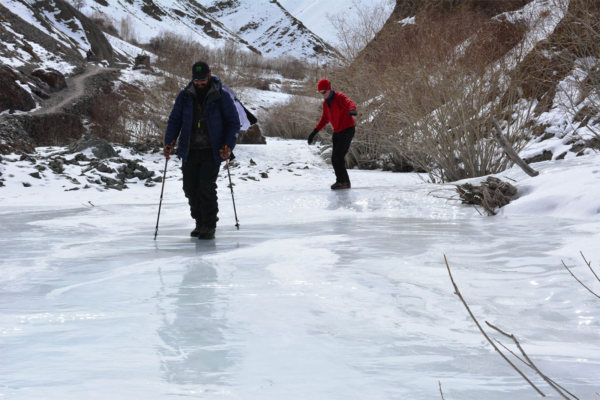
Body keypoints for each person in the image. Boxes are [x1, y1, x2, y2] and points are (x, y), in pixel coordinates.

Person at [164, 61, 240, 240]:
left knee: (206, 187)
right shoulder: (184, 96)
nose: (199, 83)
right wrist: (169, 142)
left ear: (209, 75)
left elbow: (233, 123)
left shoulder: (221, 96)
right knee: (190, 188)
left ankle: (209, 224)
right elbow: (175, 121)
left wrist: (228, 145)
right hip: (190, 150)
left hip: (212, 150)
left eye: (202, 79)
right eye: (196, 79)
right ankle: (199, 222)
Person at [308, 79, 357, 190]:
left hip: (347, 130)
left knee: (337, 157)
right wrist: (314, 132)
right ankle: (346, 182)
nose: (323, 95)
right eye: (320, 93)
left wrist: (352, 110)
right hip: (337, 132)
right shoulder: (325, 104)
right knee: (335, 158)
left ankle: (340, 182)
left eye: (324, 92)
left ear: (329, 88)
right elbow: (324, 119)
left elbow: (350, 103)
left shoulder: (340, 97)